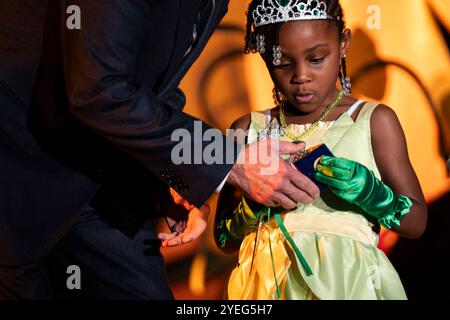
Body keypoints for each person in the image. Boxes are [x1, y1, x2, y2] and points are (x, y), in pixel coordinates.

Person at [0, 0, 320, 299]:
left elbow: (154, 83)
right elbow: (99, 91)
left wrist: (175, 175)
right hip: (22, 170)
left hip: (104, 180)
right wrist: (228, 162)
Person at [214, 0, 428, 300]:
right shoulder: (247, 129)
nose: (301, 76)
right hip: (264, 289)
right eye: (283, 63)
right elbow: (223, 237)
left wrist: (371, 193)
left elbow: (417, 222)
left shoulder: (371, 120)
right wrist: (252, 205)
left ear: (343, 44)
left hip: (348, 284)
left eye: (316, 59)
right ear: (264, 56)